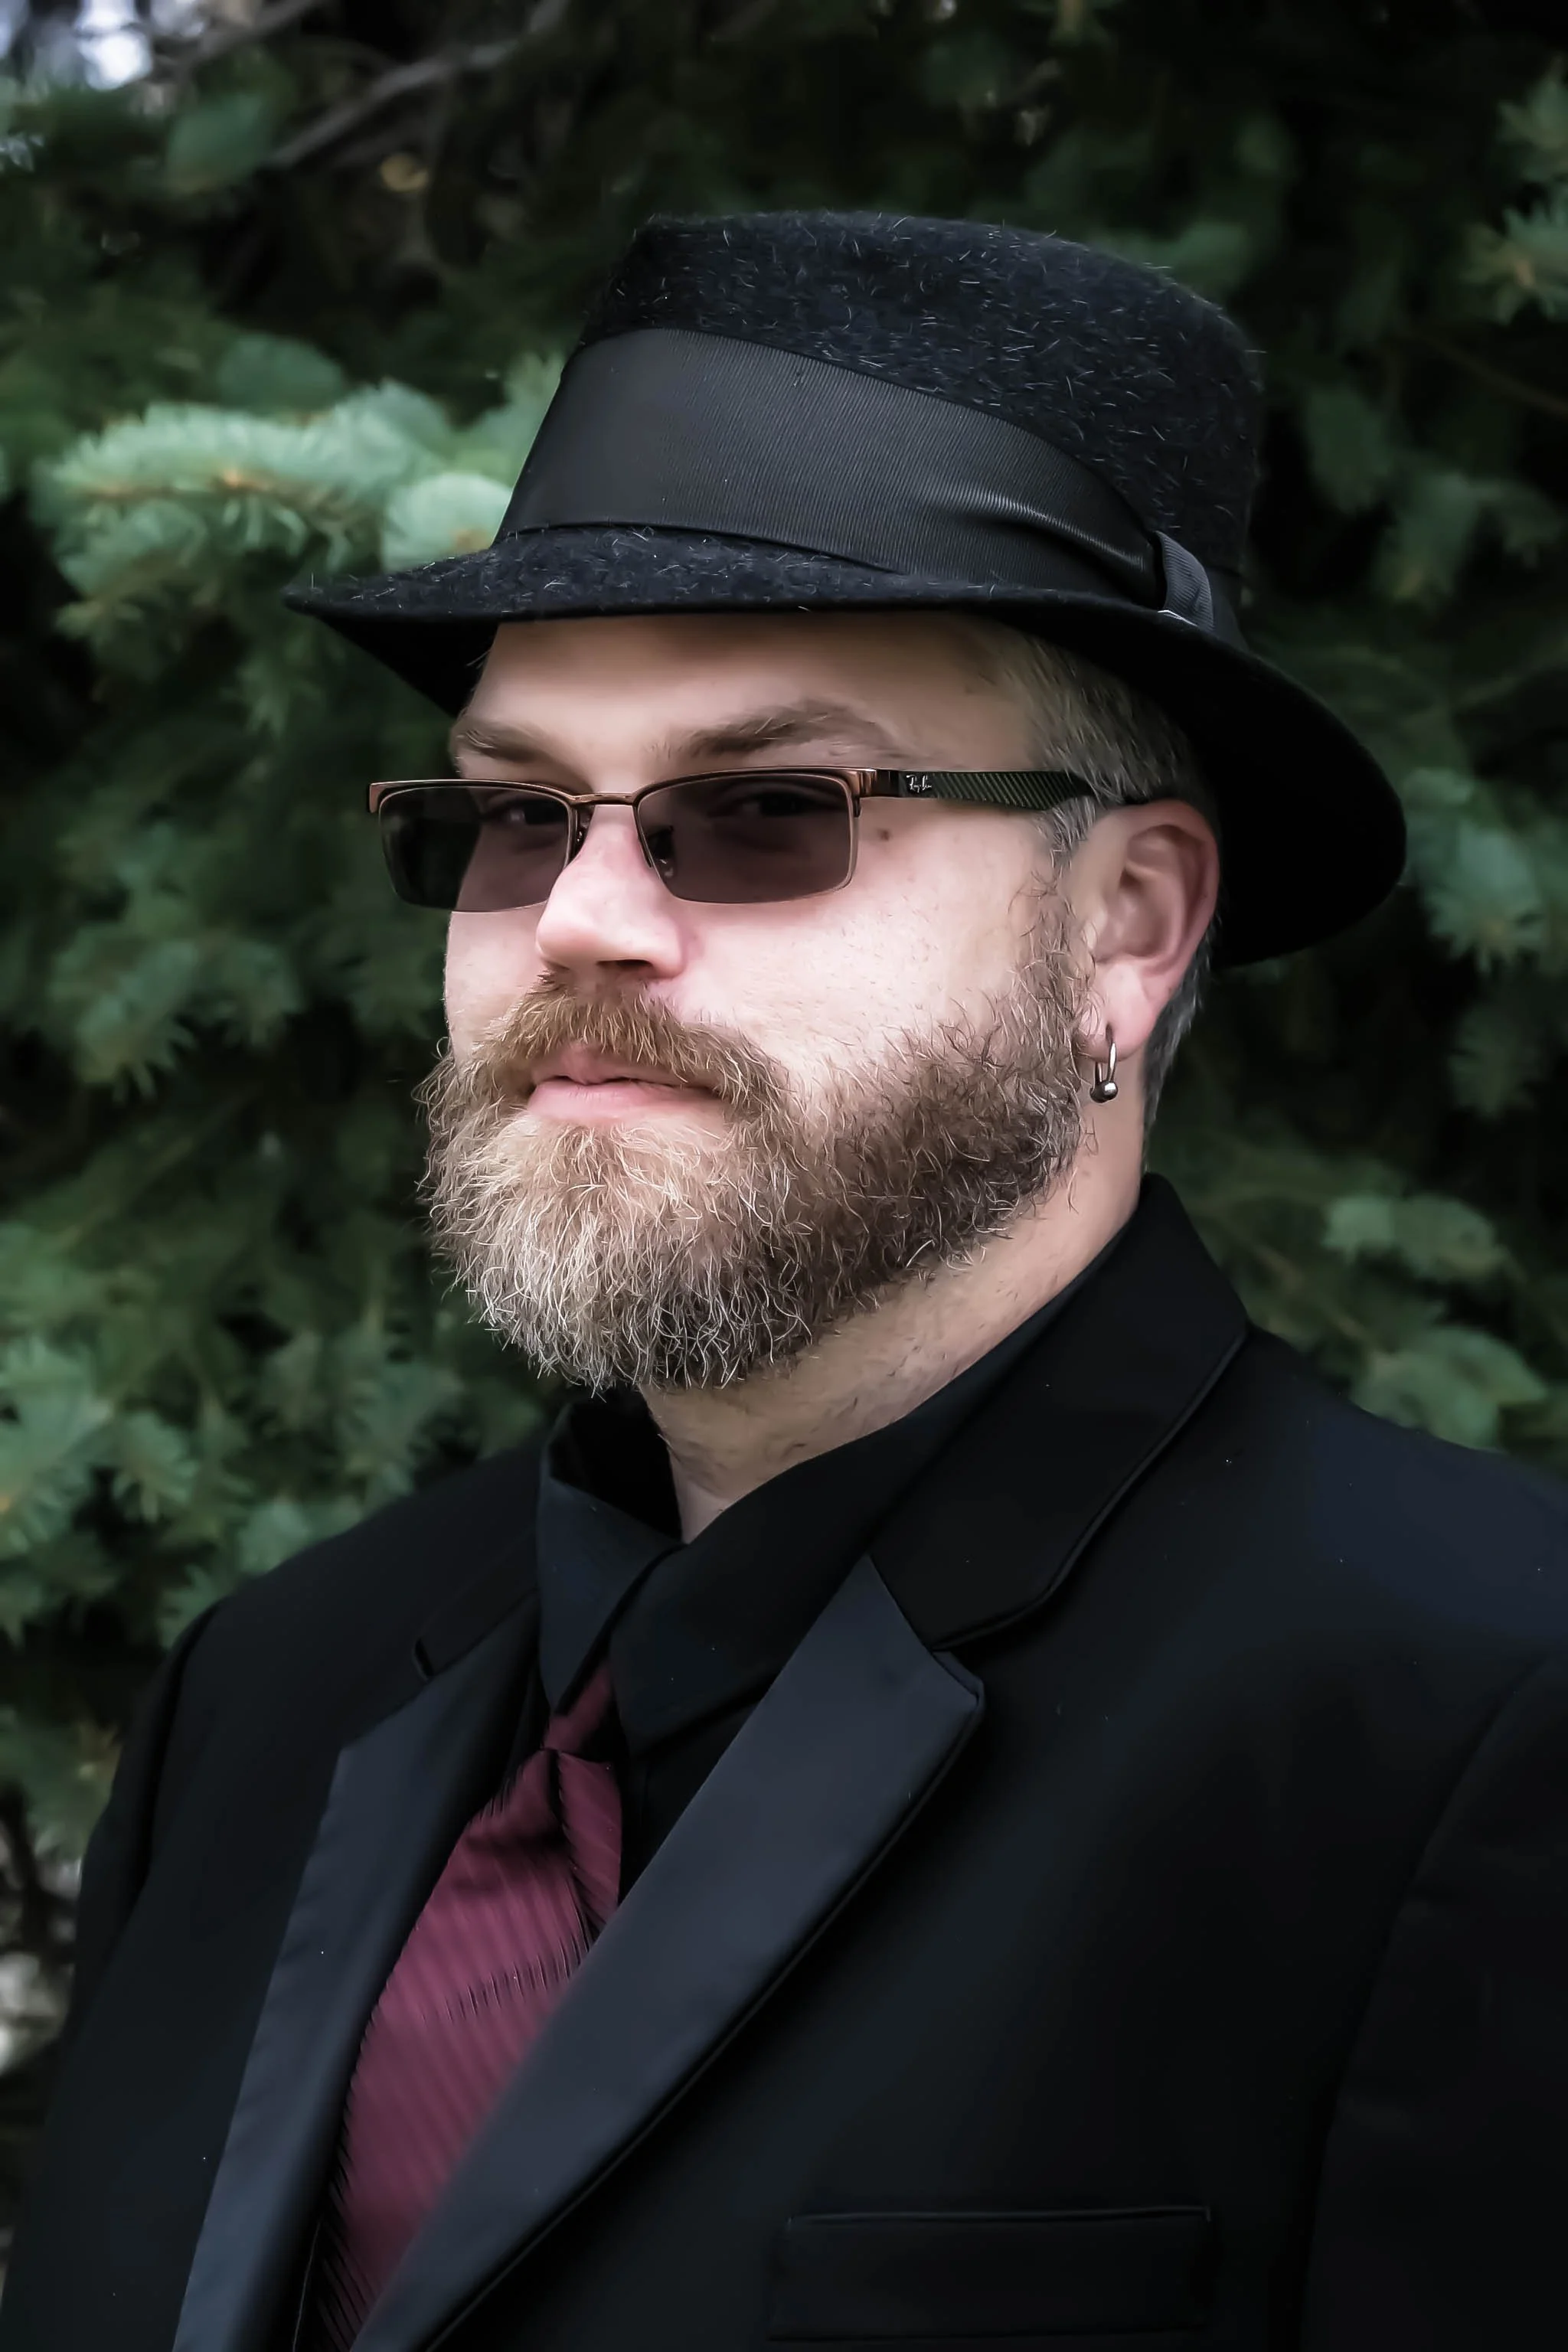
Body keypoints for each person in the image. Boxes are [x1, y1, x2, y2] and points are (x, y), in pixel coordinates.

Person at [4, 211, 1564, 2352]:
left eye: (762, 812)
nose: (582, 921)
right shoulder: (273, 1694)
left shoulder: (1485, 1715)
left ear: (1124, 924)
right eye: (516, 815)